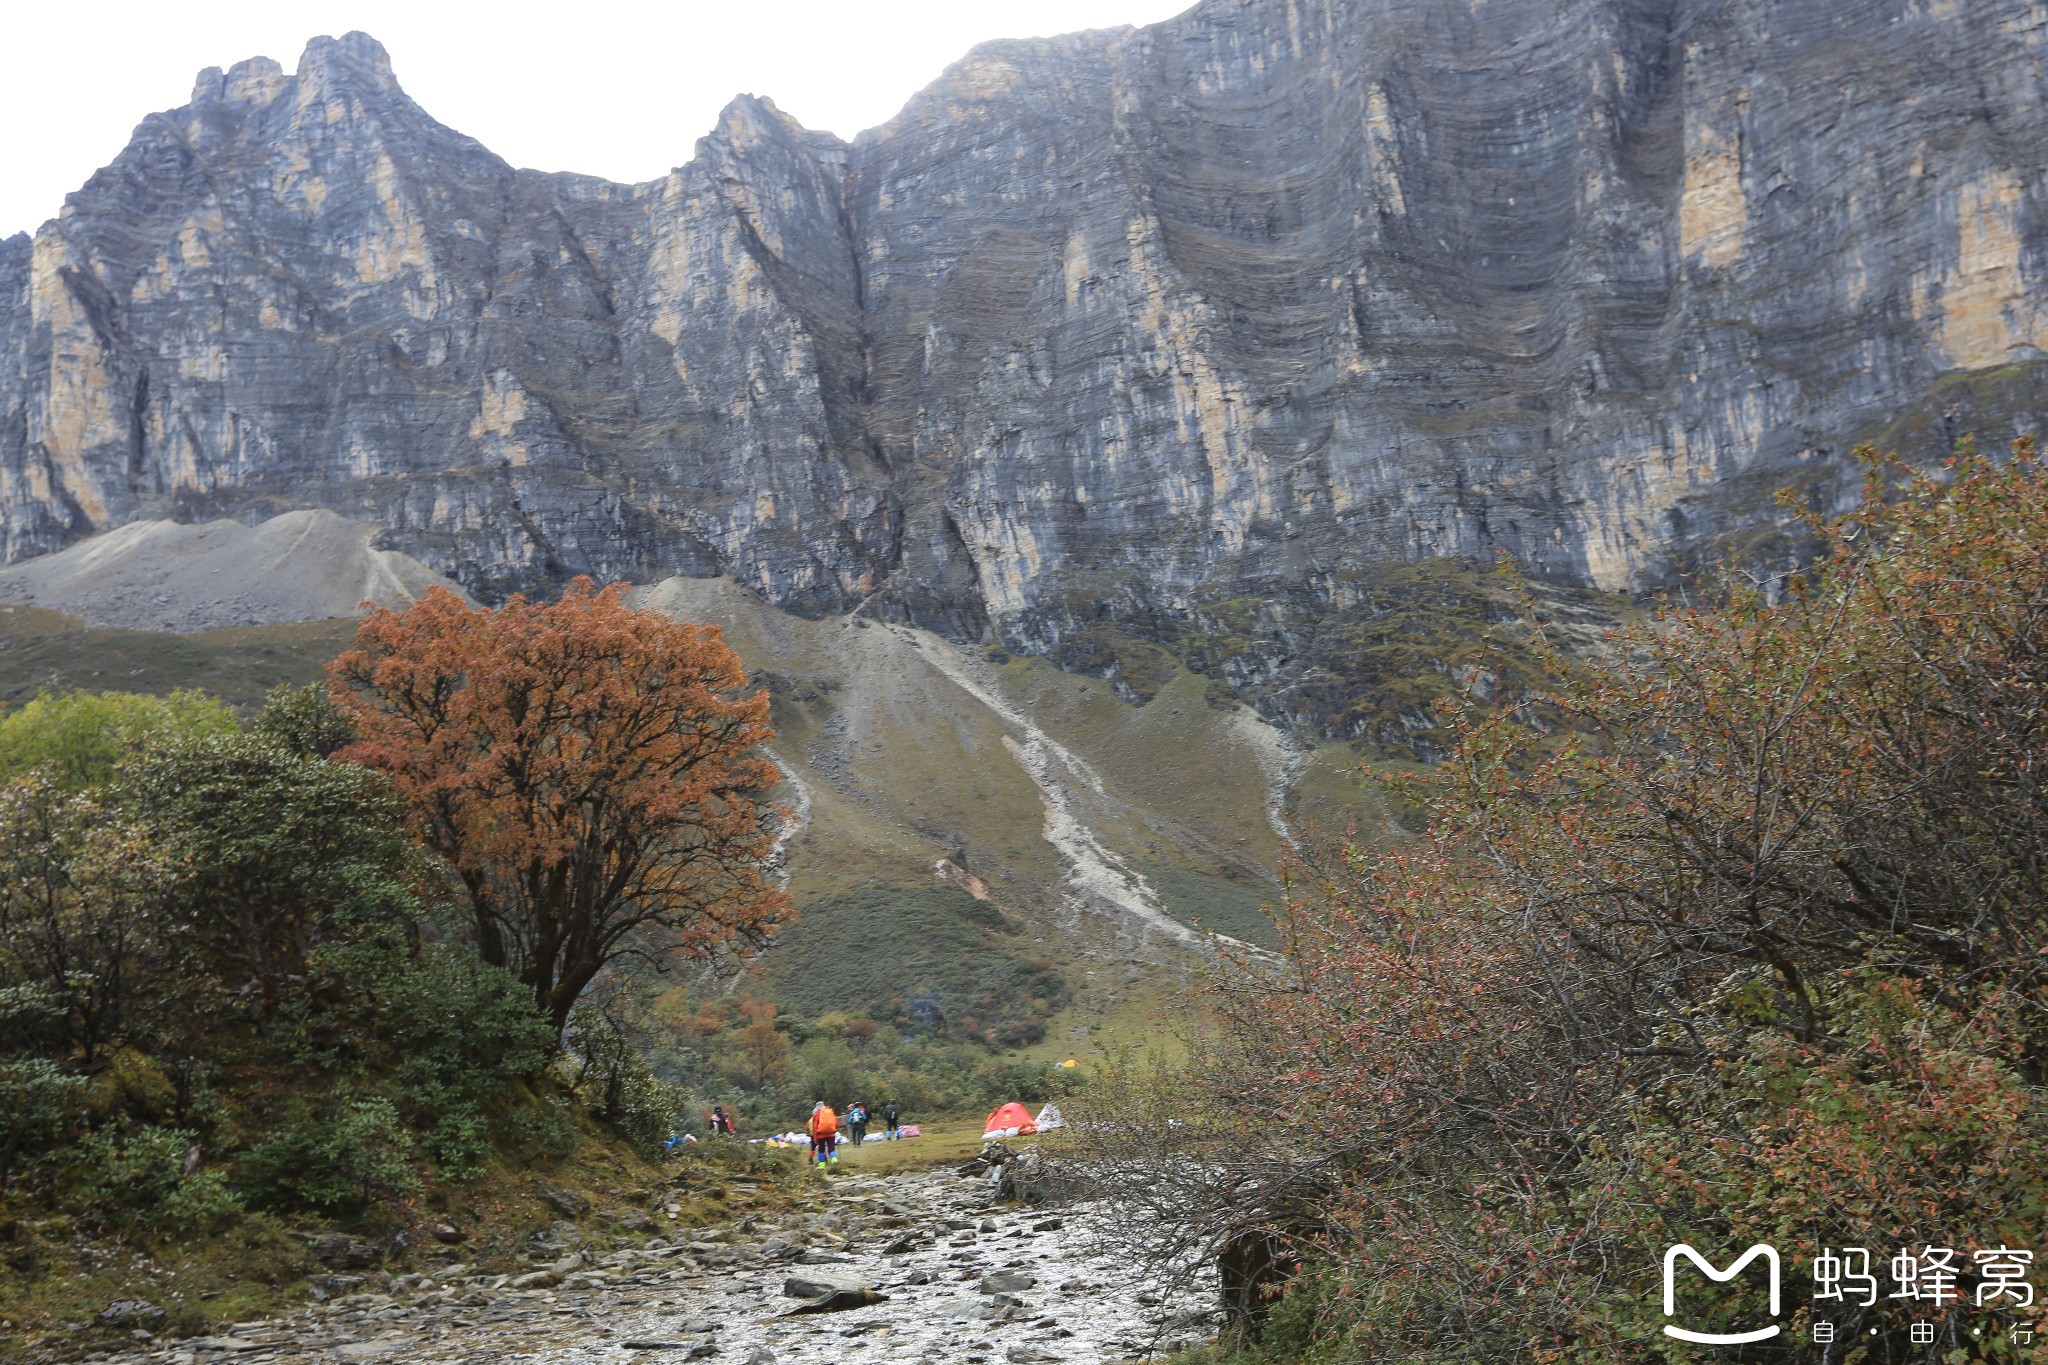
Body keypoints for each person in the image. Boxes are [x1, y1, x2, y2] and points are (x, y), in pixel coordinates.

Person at [807, 1101, 839, 1165]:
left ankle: (822, 1165)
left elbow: (815, 1127)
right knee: (831, 1149)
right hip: (831, 1134)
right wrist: (834, 1130)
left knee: (821, 1150)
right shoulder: (829, 1112)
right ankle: (834, 1160)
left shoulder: (816, 1115)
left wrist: (815, 1139)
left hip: (820, 1135)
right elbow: (836, 1123)